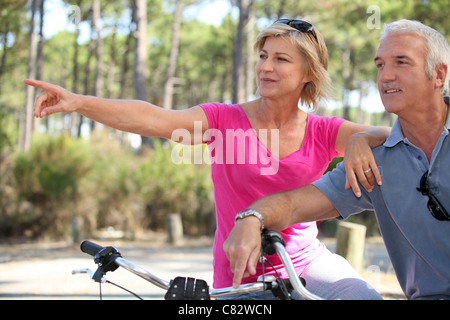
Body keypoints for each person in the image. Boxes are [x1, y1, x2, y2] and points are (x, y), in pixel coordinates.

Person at [25, 19, 389, 299]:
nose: (266, 67)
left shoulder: (323, 131)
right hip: (239, 270)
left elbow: (394, 137)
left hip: (307, 261)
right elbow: (155, 118)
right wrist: (78, 102)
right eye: (263, 56)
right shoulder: (223, 120)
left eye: (281, 59)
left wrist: (360, 138)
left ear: (308, 72)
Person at [224, 19, 450, 300]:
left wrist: (360, 137)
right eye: (380, 65)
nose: (386, 76)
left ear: (439, 74)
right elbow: (294, 205)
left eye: (401, 62)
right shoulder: (375, 161)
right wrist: (251, 218)